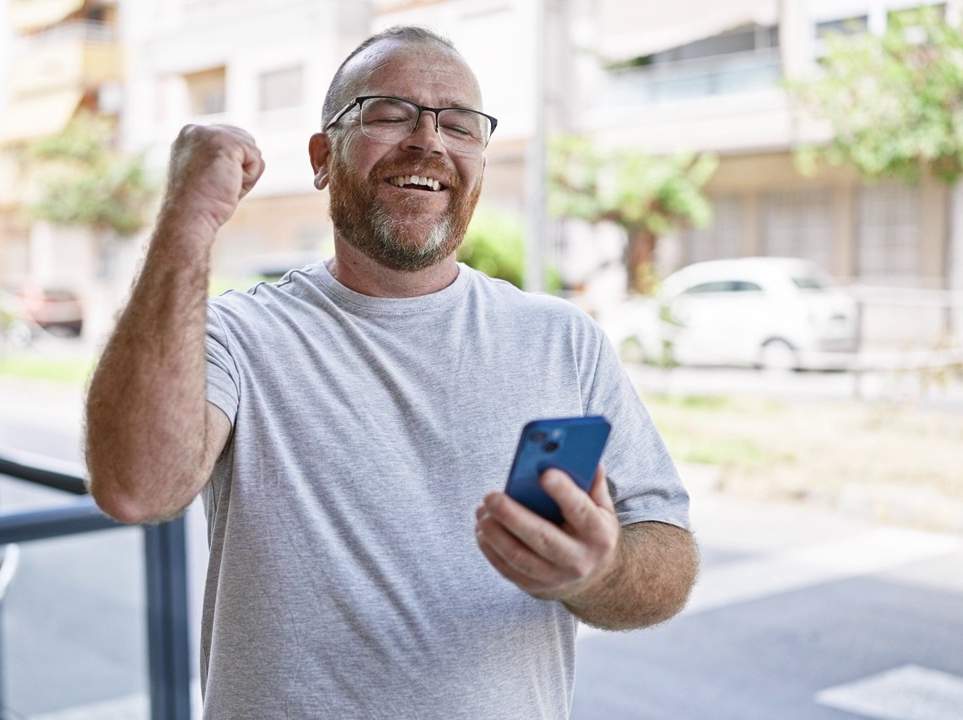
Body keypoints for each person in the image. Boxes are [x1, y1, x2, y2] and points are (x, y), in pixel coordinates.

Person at [85, 26, 698, 719]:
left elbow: (668, 551)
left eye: (460, 125)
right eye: (389, 113)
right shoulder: (240, 335)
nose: (430, 142)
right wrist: (188, 217)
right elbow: (135, 487)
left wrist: (602, 571)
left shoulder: (562, 339)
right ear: (322, 157)